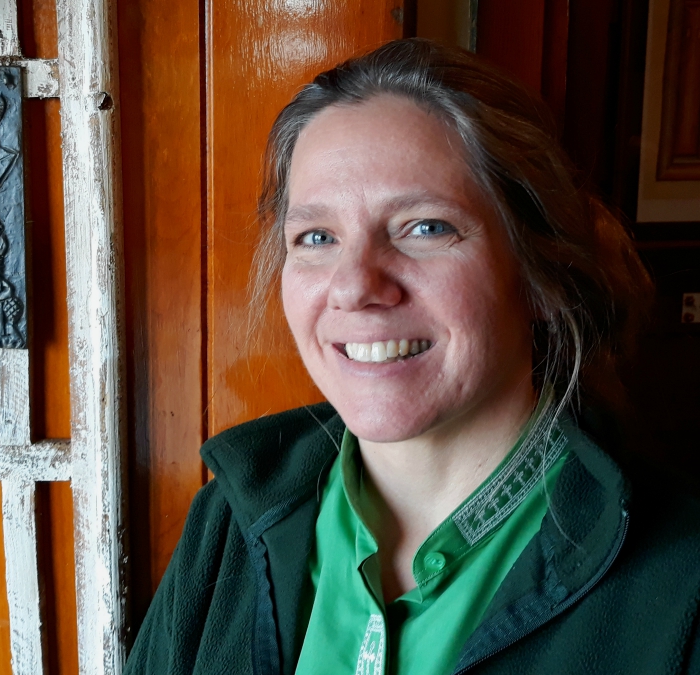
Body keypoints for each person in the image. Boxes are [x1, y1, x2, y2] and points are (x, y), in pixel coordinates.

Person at [125, 39, 700, 674]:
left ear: (540, 277)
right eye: (317, 237)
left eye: (425, 227)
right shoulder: (229, 522)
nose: (354, 285)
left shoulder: (680, 576)